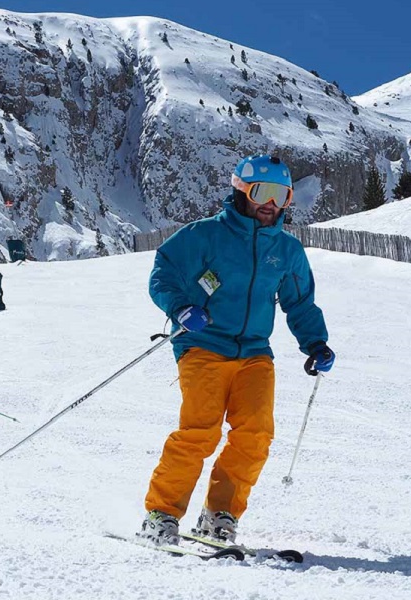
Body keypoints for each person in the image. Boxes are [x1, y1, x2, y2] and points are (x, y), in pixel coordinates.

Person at [139, 155, 335, 545]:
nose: (271, 203)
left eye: (283, 195)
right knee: (201, 431)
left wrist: (315, 342)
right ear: (241, 190)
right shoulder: (206, 235)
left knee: (256, 434)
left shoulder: (288, 249)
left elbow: (299, 302)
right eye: (263, 192)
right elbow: (164, 271)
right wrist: (180, 308)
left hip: (254, 352)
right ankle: (160, 515)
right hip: (202, 344)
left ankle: (218, 514)